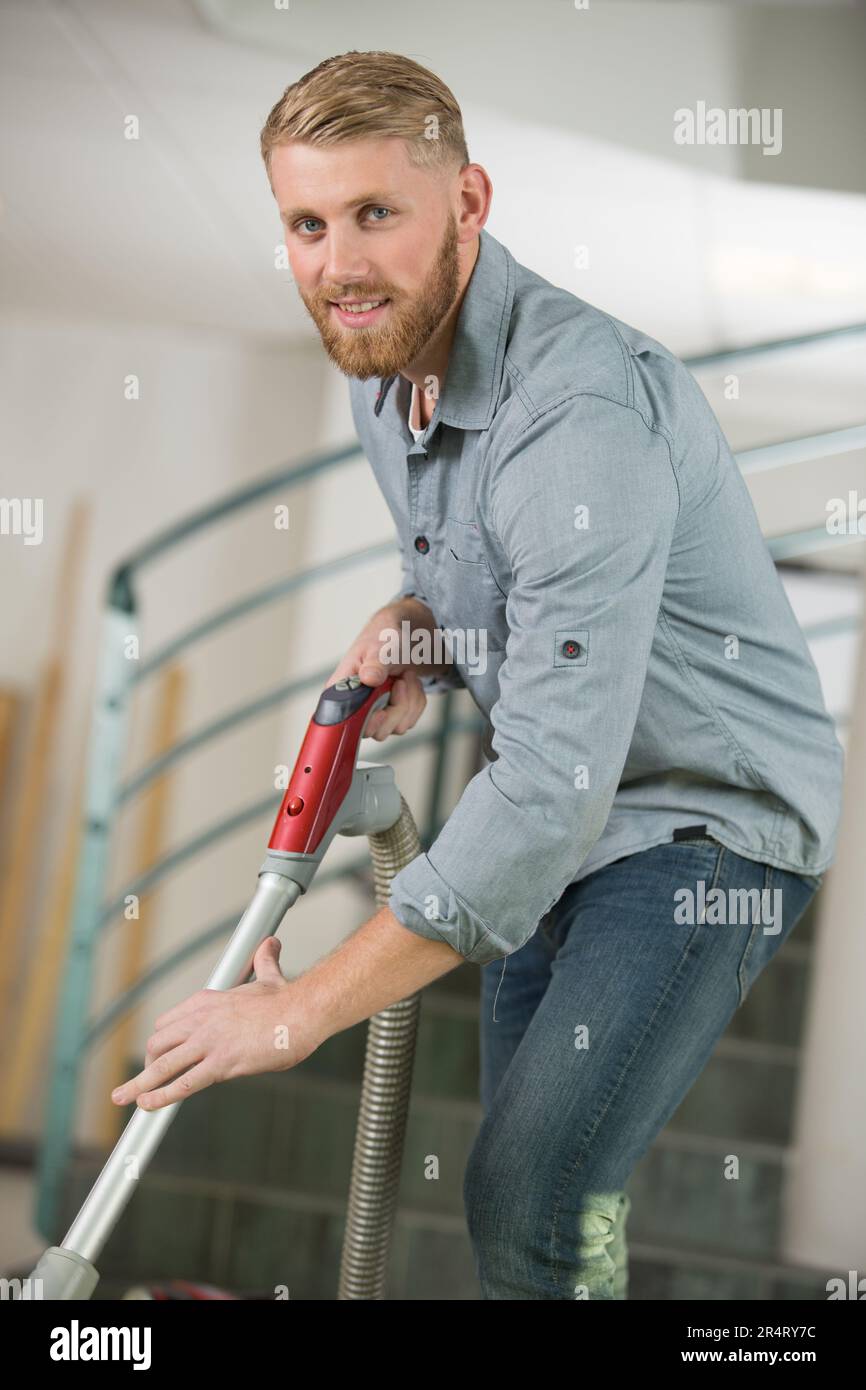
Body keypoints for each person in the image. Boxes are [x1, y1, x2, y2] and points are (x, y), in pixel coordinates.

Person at [112, 51, 845, 1301]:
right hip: (572, 811)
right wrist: (425, 629)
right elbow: (500, 582)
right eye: (306, 224)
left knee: (529, 1196)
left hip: (703, 821)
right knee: (532, 1201)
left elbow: (549, 784)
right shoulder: (385, 369)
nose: (339, 264)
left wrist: (298, 1011)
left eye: (374, 213)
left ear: (467, 202)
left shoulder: (577, 413)